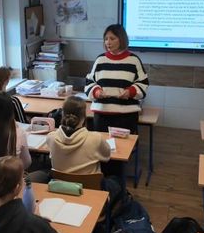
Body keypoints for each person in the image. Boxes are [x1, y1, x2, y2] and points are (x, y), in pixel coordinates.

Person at [85, 24, 148, 176]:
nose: (108, 42)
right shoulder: (100, 60)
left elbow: (143, 84)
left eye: (112, 38)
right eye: (106, 39)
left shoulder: (133, 60)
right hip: (102, 115)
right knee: (103, 151)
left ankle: (116, 181)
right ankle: (103, 179)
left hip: (125, 116)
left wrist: (130, 92)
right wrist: (97, 91)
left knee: (120, 152)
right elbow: (89, 82)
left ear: (121, 39)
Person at [47, 96, 111, 175]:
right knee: (114, 177)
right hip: (89, 183)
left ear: (62, 114)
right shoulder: (96, 139)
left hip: (59, 182)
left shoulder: (51, 137)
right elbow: (106, 157)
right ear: (84, 117)